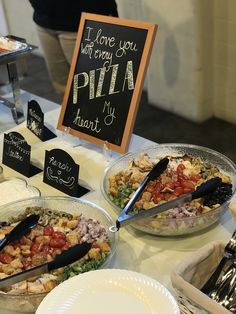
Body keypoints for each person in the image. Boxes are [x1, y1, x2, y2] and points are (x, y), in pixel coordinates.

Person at [29, 1, 118, 99]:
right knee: (62, 86)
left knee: (93, 87)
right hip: (44, 19)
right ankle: (71, 113)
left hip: (81, 22)